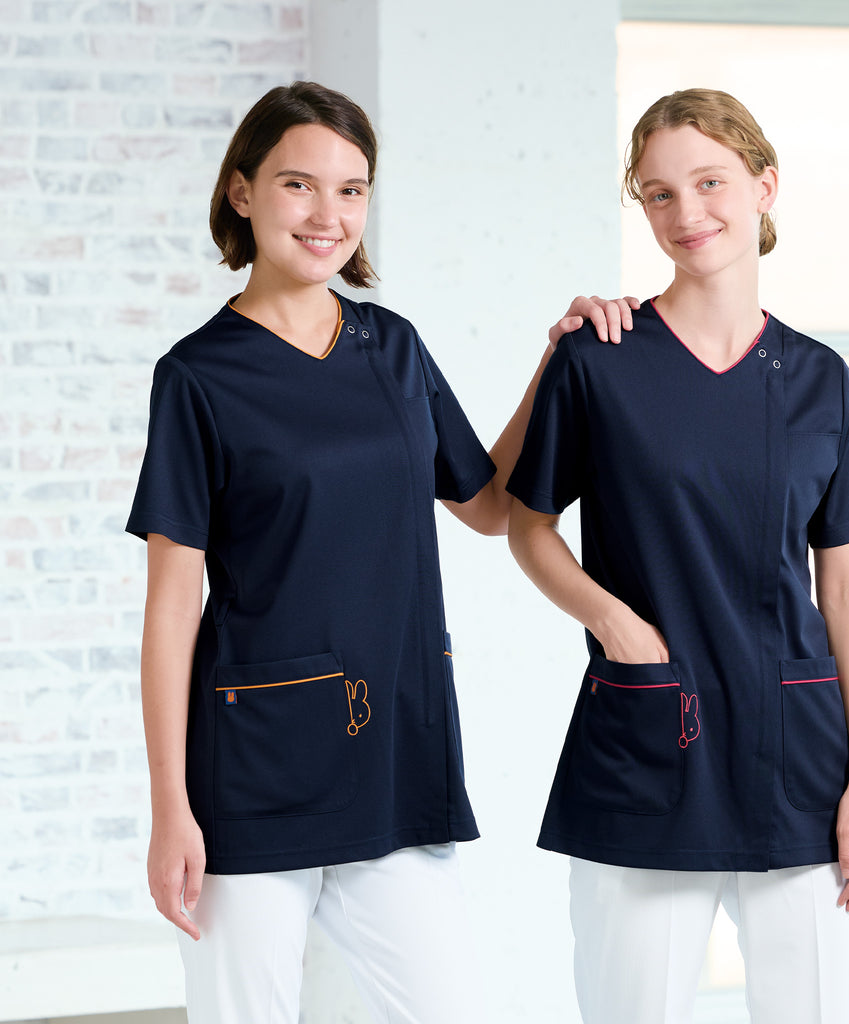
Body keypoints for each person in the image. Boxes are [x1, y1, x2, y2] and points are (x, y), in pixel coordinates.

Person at [126, 80, 629, 1024]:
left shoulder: (392, 348)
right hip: (252, 774)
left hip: (393, 755)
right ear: (242, 191)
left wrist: (556, 359)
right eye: (299, 185)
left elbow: (487, 505)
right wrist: (170, 809)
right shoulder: (197, 377)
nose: (329, 215)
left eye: (351, 190)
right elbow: (170, 606)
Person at [506, 88, 849, 1024]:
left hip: (802, 765)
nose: (686, 212)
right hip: (646, 742)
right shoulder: (599, 358)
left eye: (710, 182)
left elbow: (846, 588)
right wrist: (613, 623)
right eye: (658, 193)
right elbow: (526, 526)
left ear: (765, 187)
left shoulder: (820, 380)